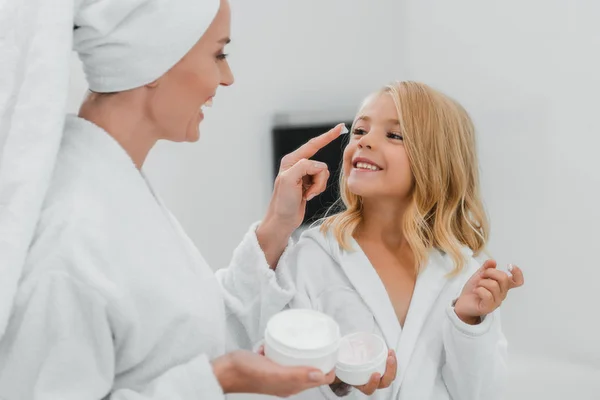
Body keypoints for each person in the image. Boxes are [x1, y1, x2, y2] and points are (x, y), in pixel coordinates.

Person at [0, 0, 354, 398]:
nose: (227, 77)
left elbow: (181, 333)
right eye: (218, 54)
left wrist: (276, 226)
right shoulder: (69, 236)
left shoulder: (111, 186)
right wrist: (220, 380)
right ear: (155, 62)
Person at [272, 81, 525, 399]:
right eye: (360, 131)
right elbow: (285, 375)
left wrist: (468, 322)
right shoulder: (313, 258)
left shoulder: (463, 274)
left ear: (435, 160)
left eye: (394, 135)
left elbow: (482, 393)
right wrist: (339, 381)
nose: (365, 142)